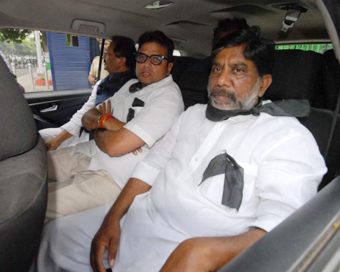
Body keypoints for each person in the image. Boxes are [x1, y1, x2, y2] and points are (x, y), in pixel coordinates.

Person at [35, 26, 326, 272]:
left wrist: (204, 253)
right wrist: (113, 217)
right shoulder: (193, 114)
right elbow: (150, 166)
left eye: (238, 70)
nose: (221, 80)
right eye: (216, 69)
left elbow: (286, 227)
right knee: (54, 234)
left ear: (263, 84)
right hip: (139, 215)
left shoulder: (287, 137)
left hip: (195, 246)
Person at [44, 30, 184, 222]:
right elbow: (88, 117)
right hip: (88, 154)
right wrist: (108, 122)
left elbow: (114, 146)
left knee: (40, 207)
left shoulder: (168, 98)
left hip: (113, 177)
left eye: (156, 59)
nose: (146, 64)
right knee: (32, 176)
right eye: (142, 57)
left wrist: (101, 124)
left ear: (169, 67)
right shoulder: (130, 86)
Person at [39, 36, 137, 151]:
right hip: (84, 132)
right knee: (40, 136)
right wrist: (58, 139)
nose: (104, 57)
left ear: (121, 61)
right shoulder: (102, 83)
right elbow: (84, 113)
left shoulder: (131, 88)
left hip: (97, 141)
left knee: (52, 157)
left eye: (108, 54)